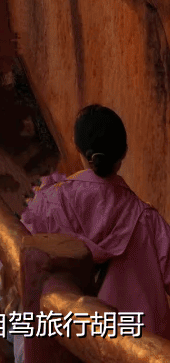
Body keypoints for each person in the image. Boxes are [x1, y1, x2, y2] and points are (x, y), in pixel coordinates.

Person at [17, 104, 170, 339]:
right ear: (123, 154)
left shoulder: (48, 204)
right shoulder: (148, 221)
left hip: (67, 345)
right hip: (139, 350)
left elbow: (16, 260)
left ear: (77, 148)